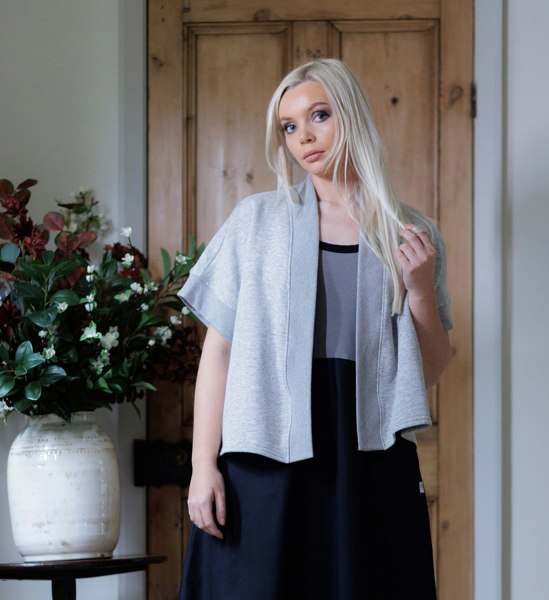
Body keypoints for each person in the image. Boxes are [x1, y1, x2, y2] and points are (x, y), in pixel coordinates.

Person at [177, 58, 453, 600]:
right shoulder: (254, 222)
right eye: (289, 126)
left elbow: (433, 367)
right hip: (264, 454)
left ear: (350, 114)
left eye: (319, 115)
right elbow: (220, 354)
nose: (304, 136)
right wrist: (201, 466)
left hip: (369, 458)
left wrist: (418, 286)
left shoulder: (412, 232)